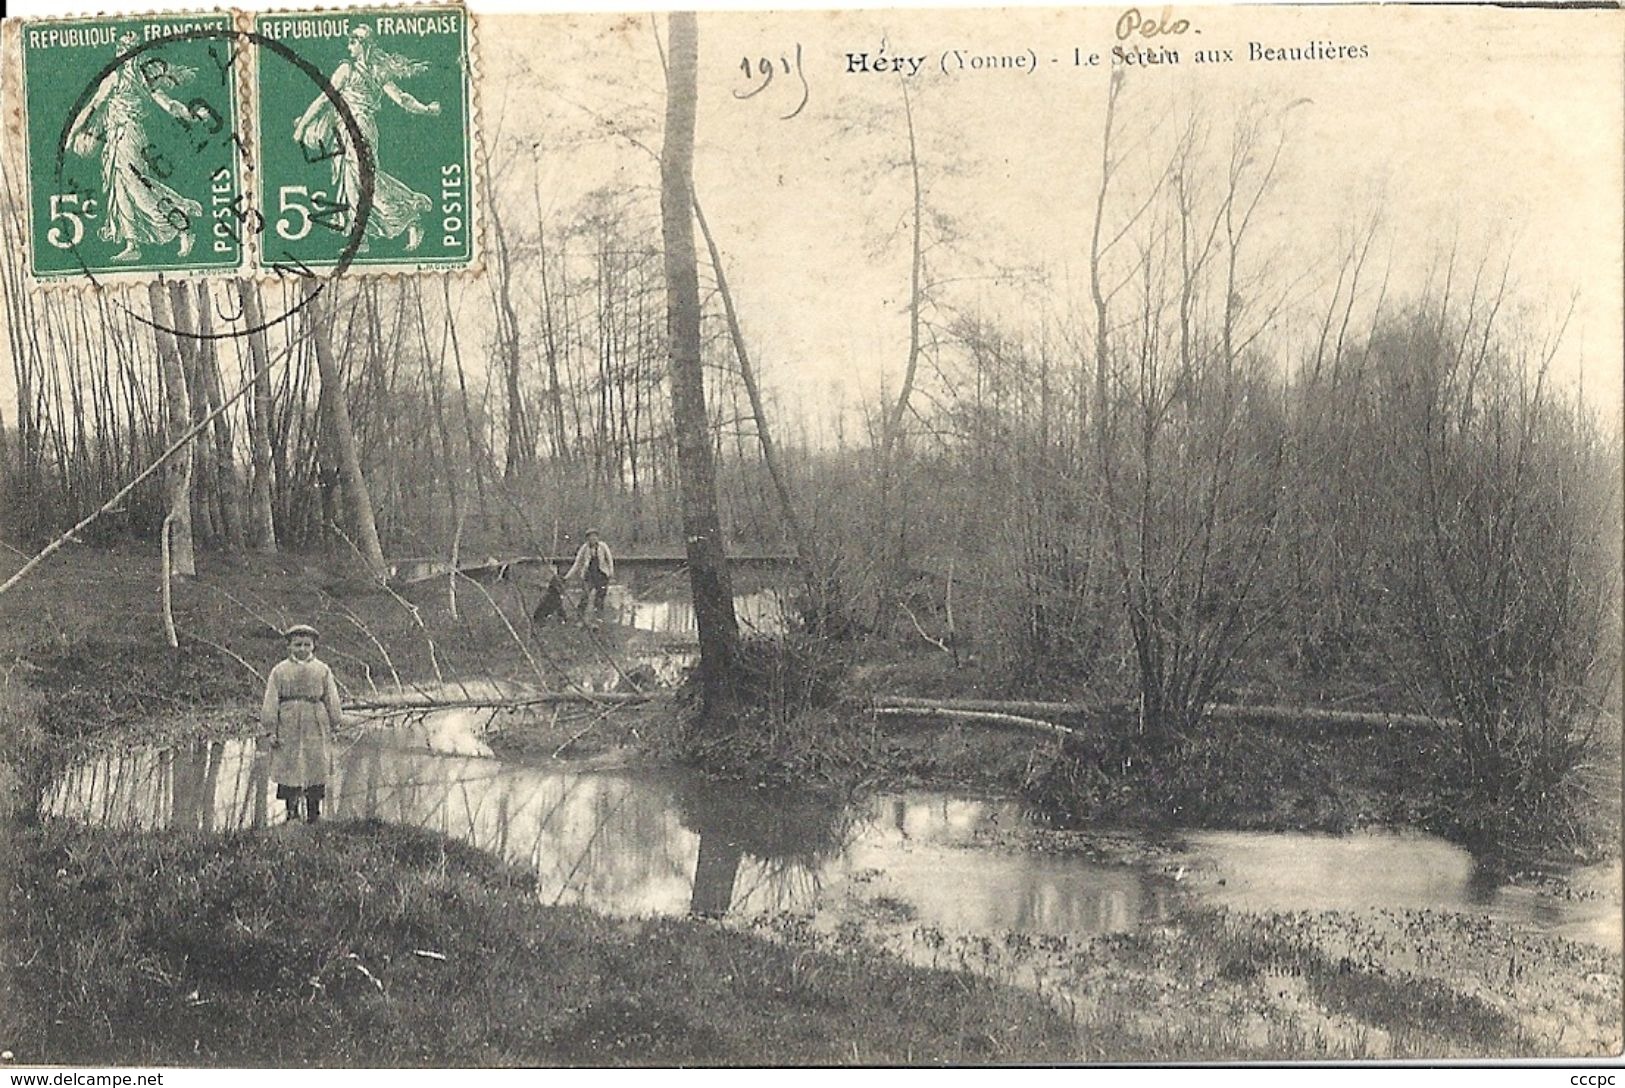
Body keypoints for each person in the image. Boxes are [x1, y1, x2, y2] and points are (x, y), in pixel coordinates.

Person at [292, 25, 440, 252]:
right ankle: (372, 231)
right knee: (362, 179)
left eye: (354, 41)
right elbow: (326, 99)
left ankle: (403, 216)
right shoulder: (354, 69)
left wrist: (426, 109)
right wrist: (303, 125)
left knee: (361, 180)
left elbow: (401, 98)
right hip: (352, 129)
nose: (349, 46)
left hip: (360, 129)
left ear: (365, 45)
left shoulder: (359, 70)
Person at [68, 31, 204, 262]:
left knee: (138, 189)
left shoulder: (137, 78)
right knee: (121, 188)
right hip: (115, 137)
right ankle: (132, 244)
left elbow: (169, 104)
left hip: (129, 136)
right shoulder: (116, 77)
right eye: (125, 52)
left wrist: (190, 115)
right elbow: (92, 108)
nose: (128, 57)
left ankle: (182, 225)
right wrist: (72, 133)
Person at [260, 624, 344, 825]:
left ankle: (314, 815)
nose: (302, 649)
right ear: (289, 646)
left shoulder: (322, 670)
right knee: (290, 768)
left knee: (316, 766)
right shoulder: (279, 671)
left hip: (315, 722)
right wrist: (270, 729)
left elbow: (331, 697)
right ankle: (292, 814)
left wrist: (335, 723)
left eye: (307, 645)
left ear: (314, 646)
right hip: (288, 723)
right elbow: (271, 701)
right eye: (298, 644)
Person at [564, 529, 615, 626]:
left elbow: (609, 560)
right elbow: (577, 563)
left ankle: (597, 620)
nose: (593, 539)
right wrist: (567, 576)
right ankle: (580, 619)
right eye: (590, 537)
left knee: (600, 598)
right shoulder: (584, 548)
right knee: (584, 597)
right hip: (589, 575)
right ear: (587, 538)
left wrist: (611, 572)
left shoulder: (603, 546)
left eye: (595, 536)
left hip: (601, 575)